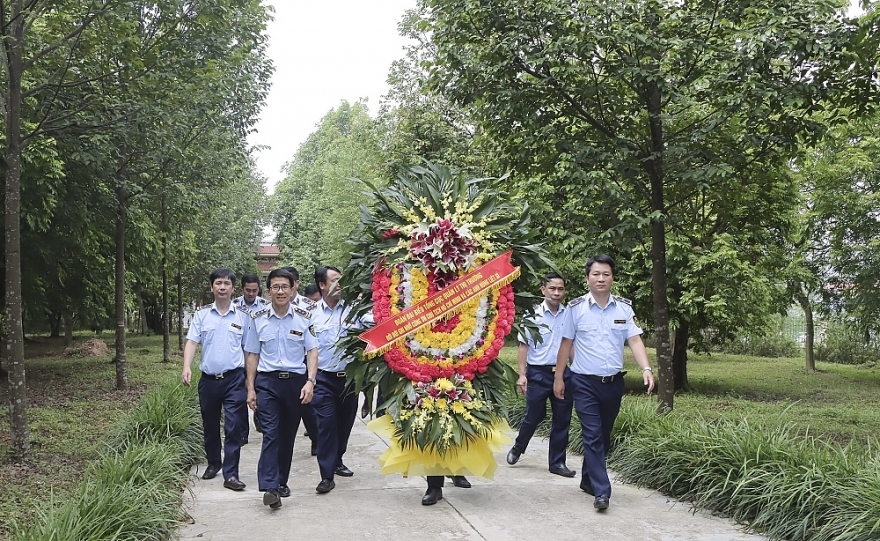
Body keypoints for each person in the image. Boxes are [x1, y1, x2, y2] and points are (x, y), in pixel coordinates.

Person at [553, 254, 654, 511]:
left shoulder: (623, 308)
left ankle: (588, 480)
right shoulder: (575, 309)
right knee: (593, 435)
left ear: (612, 278)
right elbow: (565, 344)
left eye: (606, 274)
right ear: (587, 278)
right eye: (596, 274)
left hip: (613, 384)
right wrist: (559, 377)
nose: (601, 278)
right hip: (583, 382)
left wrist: (646, 368)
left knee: (603, 436)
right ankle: (602, 491)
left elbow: (635, 340)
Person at [244, 268, 319, 509]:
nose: (280, 291)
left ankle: (280, 482)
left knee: (287, 435)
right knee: (271, 433)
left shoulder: (304, 317)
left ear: (293, 288)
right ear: (268, 291)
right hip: (267, 383)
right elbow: (252, 354)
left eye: (284, 287)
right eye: (275, 287)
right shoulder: (258, 318)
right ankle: (269, 486)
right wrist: (250, 388)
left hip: (295, 383)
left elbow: (312, 351)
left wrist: (310, 381)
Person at [181, 268, 251, 492]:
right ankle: (213, 463)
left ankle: (231, 474)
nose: (222, 287)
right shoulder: (202, 315)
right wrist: (186, 367)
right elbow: (192, 342)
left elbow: (248, 350)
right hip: (209, 380)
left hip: (234, 379)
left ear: (233, 288)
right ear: (212, 287)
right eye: (218, 283)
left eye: (226, 283)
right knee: (210, 424)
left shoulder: (242, 317)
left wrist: (250, 381)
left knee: (233, 426)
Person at [506, 272, 575, 477]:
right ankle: (519, 446)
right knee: (534, 415)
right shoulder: (532, 316)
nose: (556, 293)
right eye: (552, 288)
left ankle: (557, 463)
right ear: (543, 290)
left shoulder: (570, 315)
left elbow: (571, 345)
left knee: (562, 419)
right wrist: (522, 375)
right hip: (538, 373)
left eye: (560, 289)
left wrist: (576, 370)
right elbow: (523, 347)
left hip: (562, 374)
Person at [310, 265, 361, 494]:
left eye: (341, 280)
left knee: (344, 424)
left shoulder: (353, 311)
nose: (340, 284)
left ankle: (338, 458)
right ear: (322, 285)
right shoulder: (311, 314)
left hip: (348, 379)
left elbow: (375, 325)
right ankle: (327, 475)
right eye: (334, 280)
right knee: (326, 426)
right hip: (323, 379)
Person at [283, 267, 319, 456]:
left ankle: (316, 438)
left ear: (296, 283)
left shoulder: (310, 306)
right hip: (281, 362)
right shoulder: (272, 305)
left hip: (304, 361)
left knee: (307, 406)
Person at [234, 273, 267, 443]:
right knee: (240, 394)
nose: (251, 294)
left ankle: (261, 419)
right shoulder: (233, 306)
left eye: (255, 290)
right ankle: (242, 433)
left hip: (258, 356)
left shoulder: (265, 307)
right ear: (242, 289)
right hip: (238, 356)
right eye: (248, 290)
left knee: (259, 390)